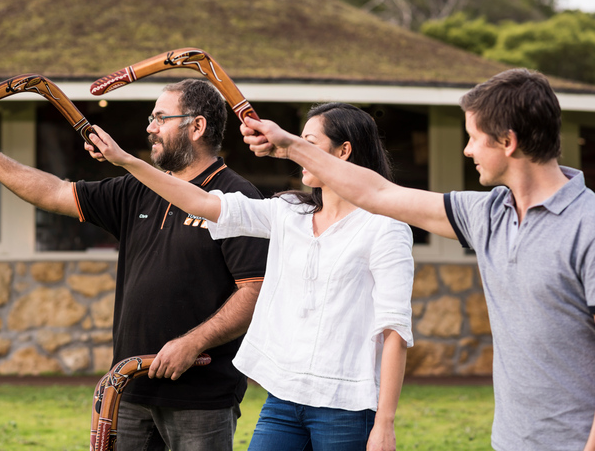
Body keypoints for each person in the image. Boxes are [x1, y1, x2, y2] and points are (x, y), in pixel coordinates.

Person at [238, 69, 595, 451]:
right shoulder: (488, 215)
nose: (467, 150)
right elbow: (377, 192)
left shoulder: (586, 227)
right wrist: (292, 146)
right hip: (510, 441)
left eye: (474, 137)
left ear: (507, 141)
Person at [0, 79, 268, 451]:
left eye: (161, 118)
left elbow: (256, 289)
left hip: (200, 399)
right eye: (152, 118)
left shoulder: (236, 198)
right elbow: (54, 192)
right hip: (128, 390)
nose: (150, 127)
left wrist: (192, 343)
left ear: (196, 127)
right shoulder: (138, 188)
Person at [87, 102, 415, 451]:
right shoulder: (290, 214)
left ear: (343, 151)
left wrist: (384, 422)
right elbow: (201, 203)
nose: (298, 153)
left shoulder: (385, 228)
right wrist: (127, 162)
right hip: (284, 400)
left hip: (347, 404)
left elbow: (394, 329)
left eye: (309, 144)